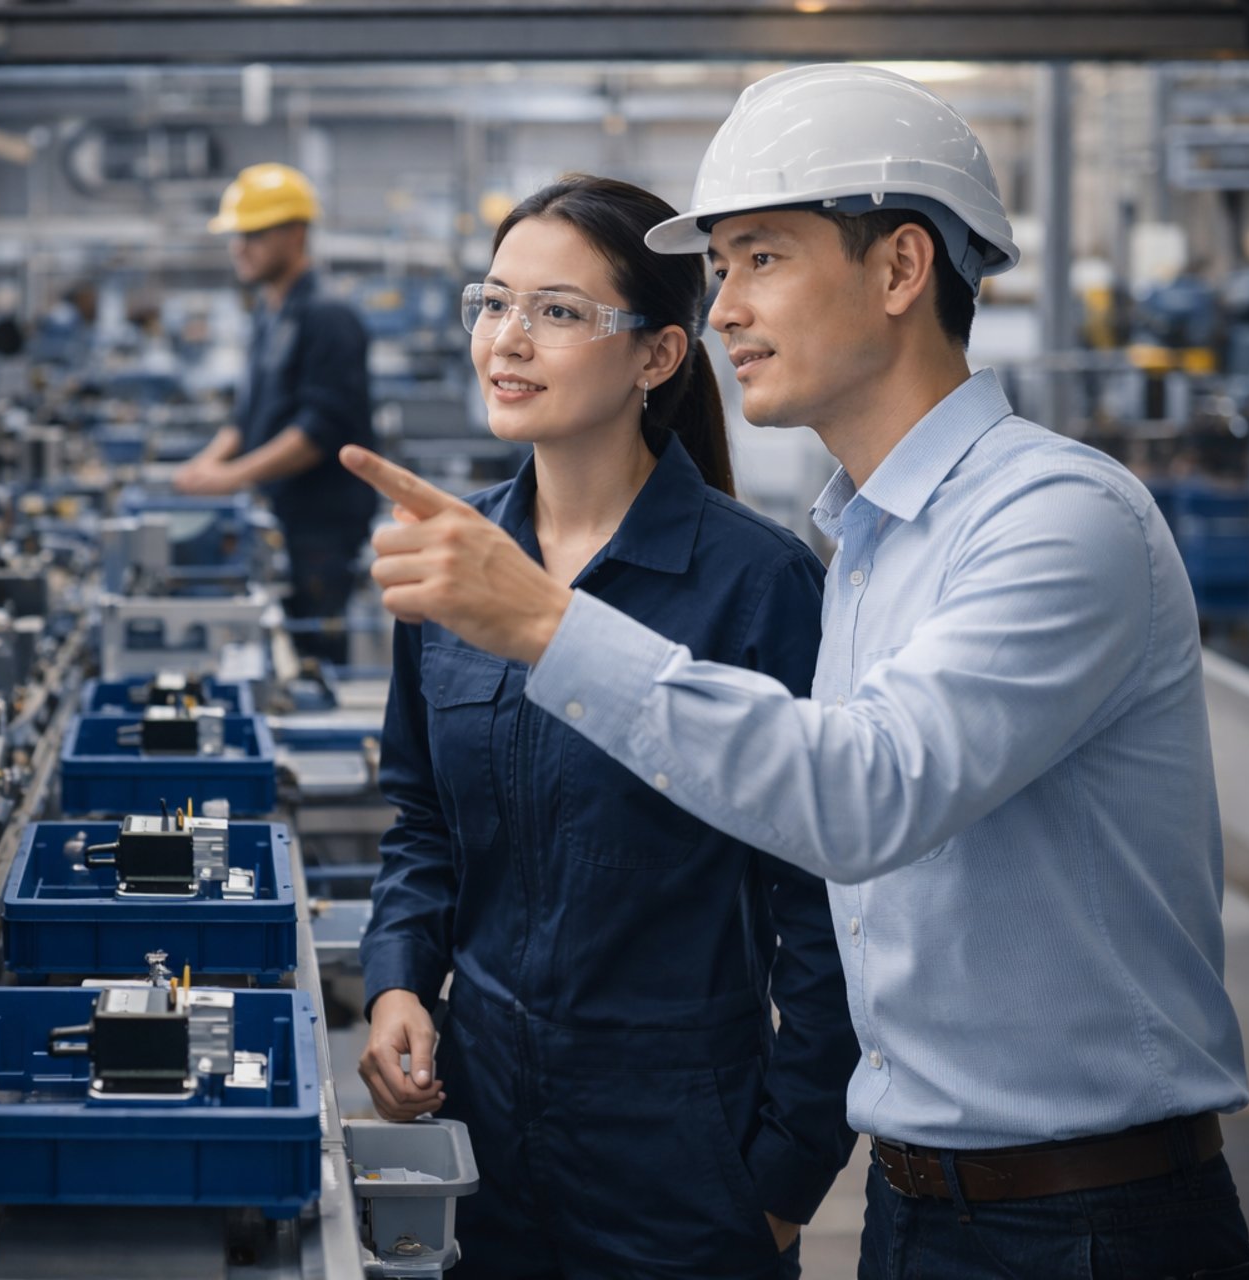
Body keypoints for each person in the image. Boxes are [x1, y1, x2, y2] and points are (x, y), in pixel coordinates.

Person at [342, 65, 1249, 1280]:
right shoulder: (871, 545)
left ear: (898, 269)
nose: (724, 308)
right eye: (719, 268)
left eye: (760, 257)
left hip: (1082, 1219)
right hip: (912, 1197)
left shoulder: (1056, 519)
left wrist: (546, 626)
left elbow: (860, 802)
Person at [357, 175, 860, 1279]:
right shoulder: (453, 561)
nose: (509, 339)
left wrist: (782, 1176)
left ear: (658, 356)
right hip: (484, 1136)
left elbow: (830, 904)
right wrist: (398, 976)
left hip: (680, 1151)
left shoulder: (755, 583)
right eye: (493, 302)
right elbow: (422, 824)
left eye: (559, 310)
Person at [176, 162, 377, 664]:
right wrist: (205, 469)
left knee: (314, 650)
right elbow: (247, 416)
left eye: (254, 234)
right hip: (281, 510)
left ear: (296, 235)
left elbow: (319, 430)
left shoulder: (328, 316)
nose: (239, 247)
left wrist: (232, 478)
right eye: (237, 235)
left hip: (321, 522)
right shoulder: (271, 310)